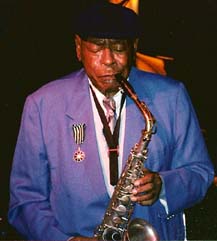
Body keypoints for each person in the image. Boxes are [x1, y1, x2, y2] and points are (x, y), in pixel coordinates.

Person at [8, 2, 214, 241]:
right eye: (96, 48)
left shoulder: (172, 95)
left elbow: (200, 172)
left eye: (118, 48)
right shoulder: (42, 104)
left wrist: (163, 186)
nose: (108, 60)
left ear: (134, 48)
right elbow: (25, 200)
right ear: (78, 48)